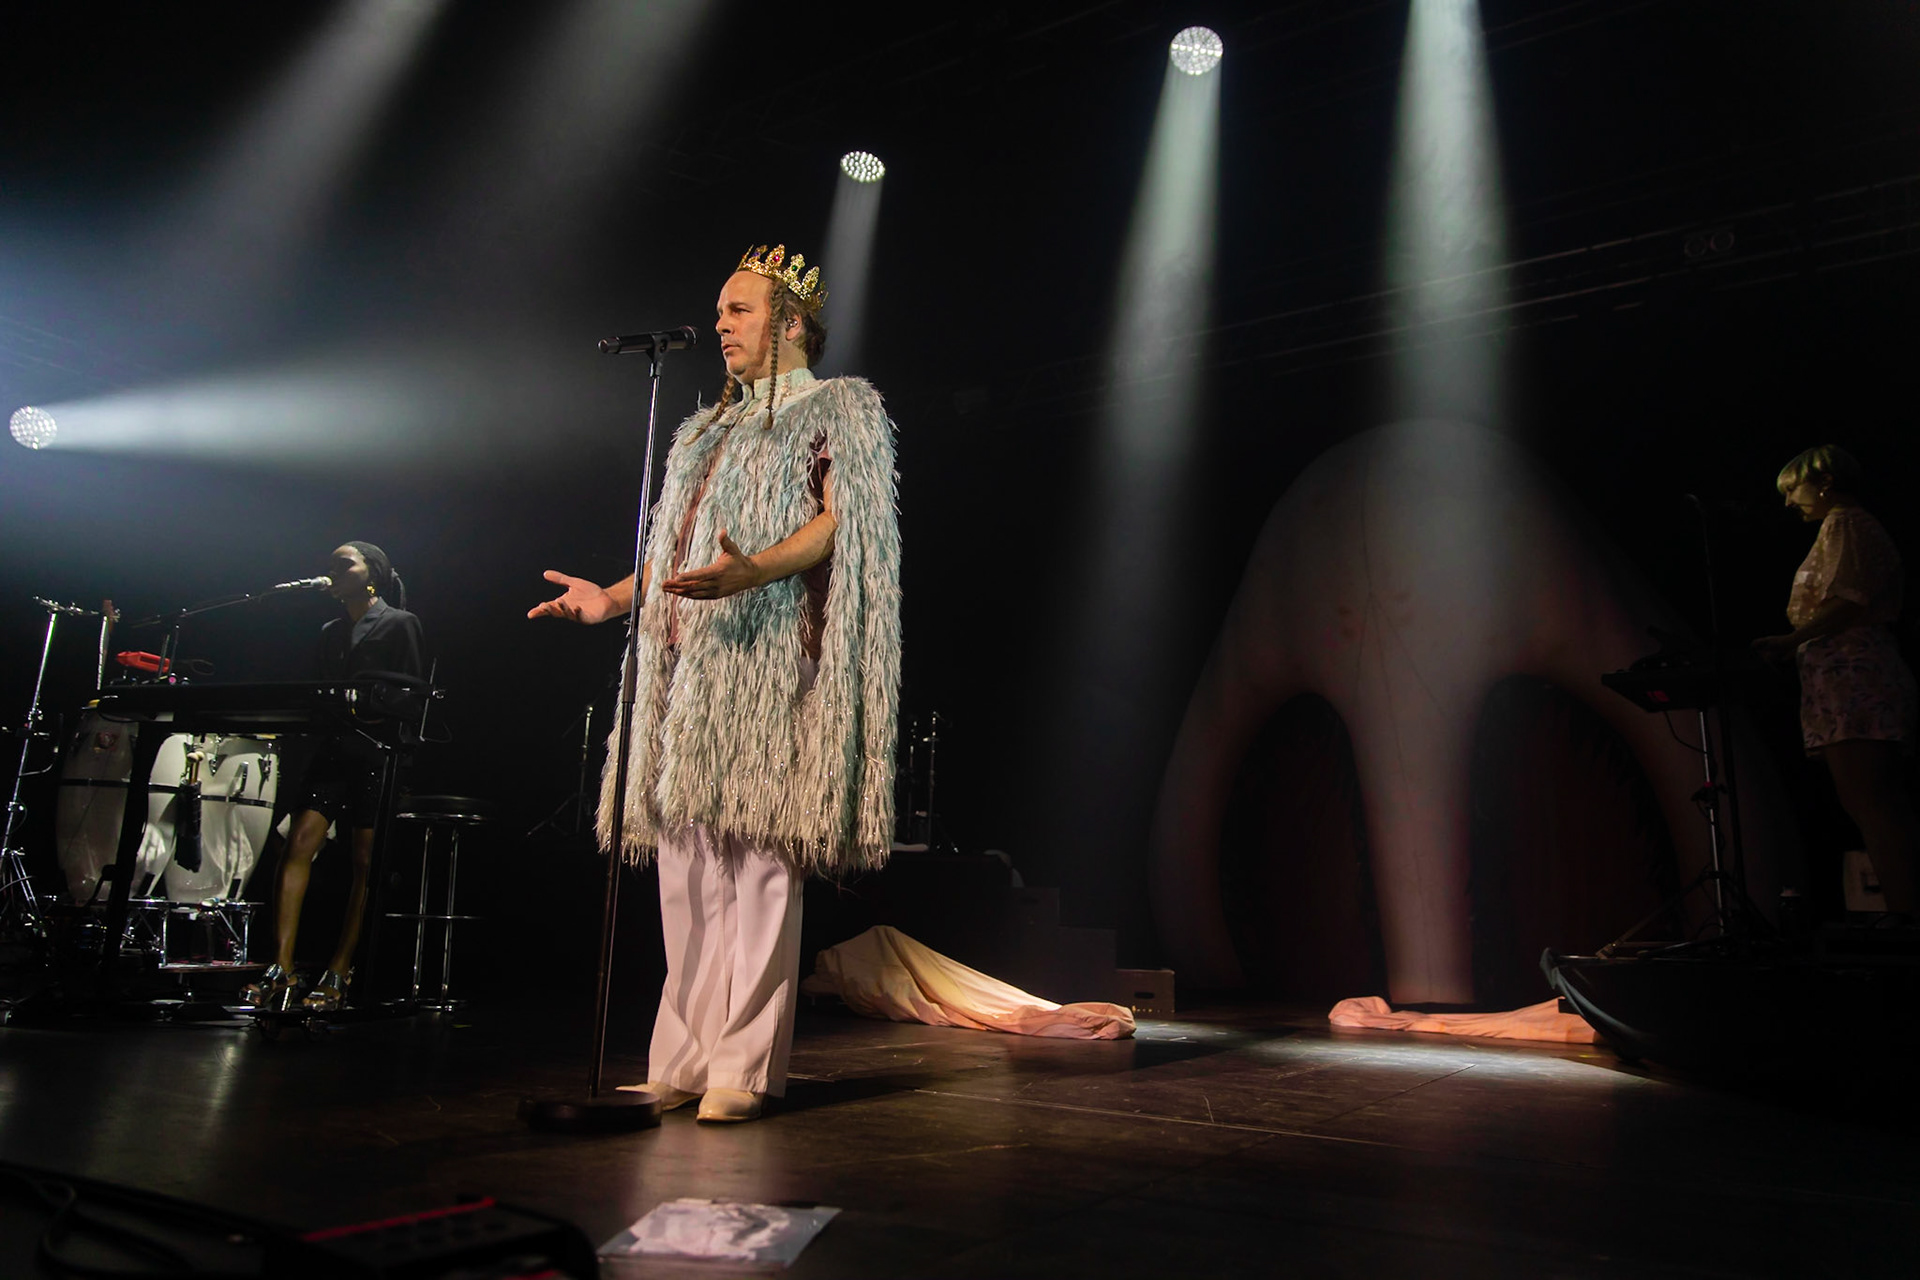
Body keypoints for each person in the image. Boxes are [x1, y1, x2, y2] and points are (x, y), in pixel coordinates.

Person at [531, 244, 901, 1122]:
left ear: (792, 321)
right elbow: (674, 555)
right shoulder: (703, 429)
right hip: (690, 672)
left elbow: (841, 527)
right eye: (722, 311)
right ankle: (681, 1058)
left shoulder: (838, 408)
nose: (722, 326)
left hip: (773, 661)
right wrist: (612, 601)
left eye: (737, 310)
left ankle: (743, 1065)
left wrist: (756, 572)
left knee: (760, 866)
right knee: (688, 866)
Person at [244, 542, 425, 1010]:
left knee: (365, 864)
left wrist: (368, 705)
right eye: (331, 565)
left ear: (373, 575)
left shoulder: (400, 623)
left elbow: (414, 698)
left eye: (345, 564)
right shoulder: (329, 631)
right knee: (297, 842)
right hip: (332, 751)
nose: (333, 571)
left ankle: (340, 970)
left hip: (375, 753)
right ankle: (280, 968)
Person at [1754, 446, 1917, 915]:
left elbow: (1848, 600)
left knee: (1876, 806)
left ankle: (1909, 919)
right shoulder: (1840, 526)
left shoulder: (1846, 522)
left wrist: (1789, 641)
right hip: (1842, 675)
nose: (1789, 503)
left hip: (1855, 672)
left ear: (1823, 481)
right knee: (1870, 806)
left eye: (1793, 490)